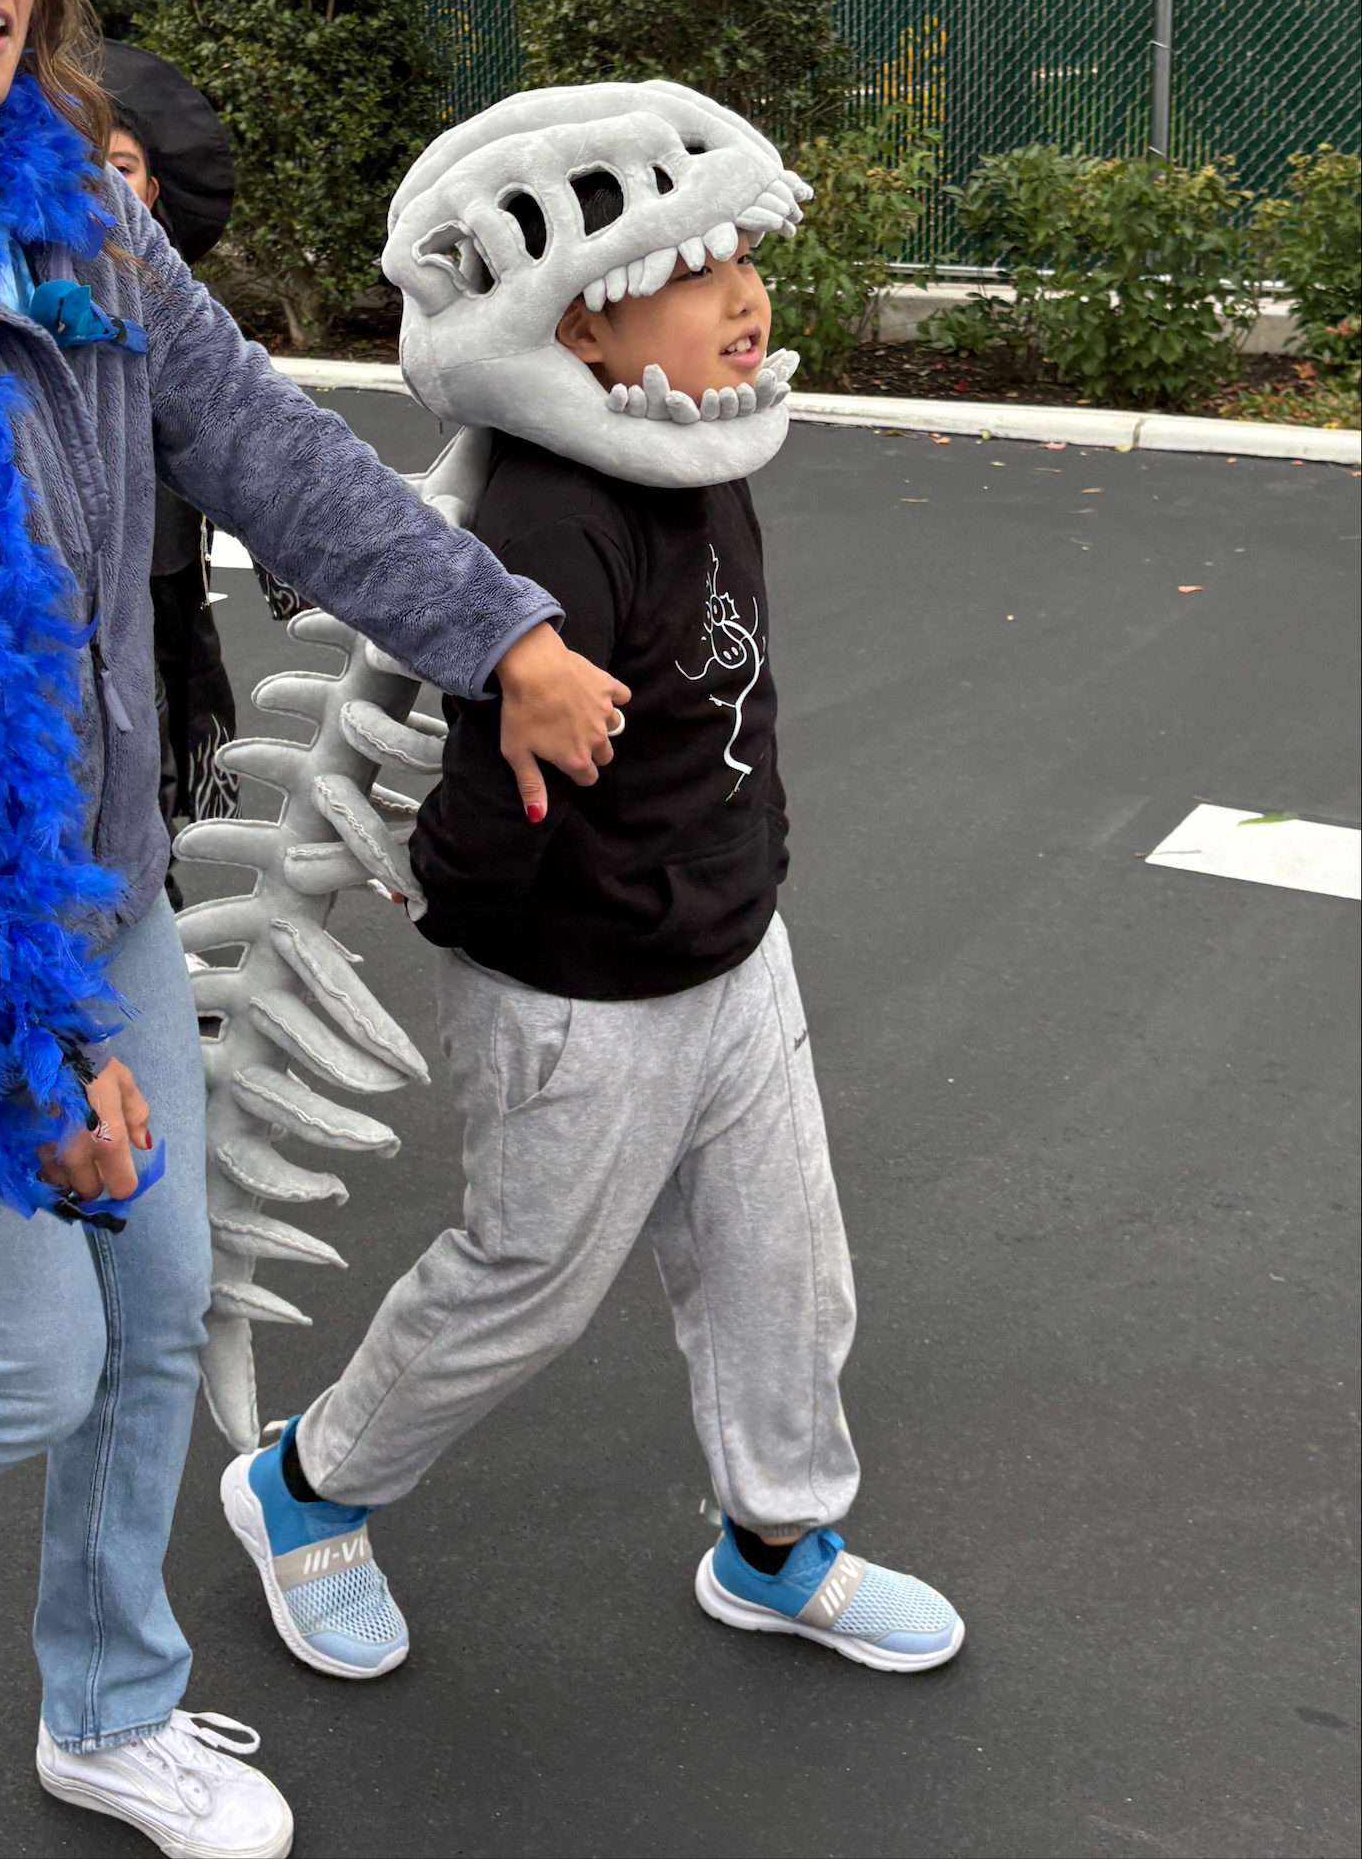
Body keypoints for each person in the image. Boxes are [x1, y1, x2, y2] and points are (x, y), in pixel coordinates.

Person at [0, 0, 628, 1859]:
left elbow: (272, 451)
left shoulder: (81, 216)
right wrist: (33, 1043)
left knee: (155, 1311)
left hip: (105, 874)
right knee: (21, 1359)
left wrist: (501, 627)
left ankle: (109, 1703)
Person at [220, 82, 965, 1686]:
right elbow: (502, 789)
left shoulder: (696, 448)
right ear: (581, 333)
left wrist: (750, 871)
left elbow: (726, 707)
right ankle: (308, 1486)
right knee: (527, 1283)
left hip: (732, 951)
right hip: (579, 990)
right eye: (699, 276)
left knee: (784, 1266)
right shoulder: (559, 518)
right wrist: (474, 916)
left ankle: (775, 1542)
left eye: (746, 262)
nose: (746, 297)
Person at [101, 53, 242, 869]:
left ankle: (182, 854)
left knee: (187, 683)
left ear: (151, 190)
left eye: (121, 168)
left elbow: (244, 425)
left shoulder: (178, 303)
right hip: (86, 560)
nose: (104, 184)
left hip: (167, 546)